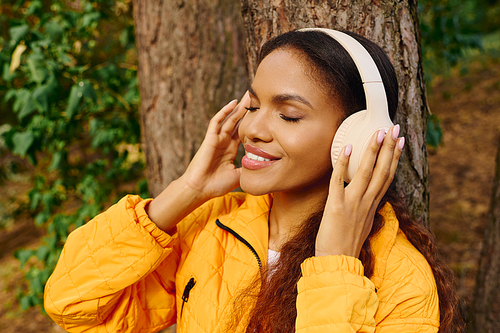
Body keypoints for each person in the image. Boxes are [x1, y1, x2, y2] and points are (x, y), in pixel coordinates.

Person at [44, 29, 463, 332]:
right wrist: (186, 191)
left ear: (357, 136)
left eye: (289, 115)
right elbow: (73, 305)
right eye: (254, 104)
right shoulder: (216, 225)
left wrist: (336, 268)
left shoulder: (401, 277)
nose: (252, 130)